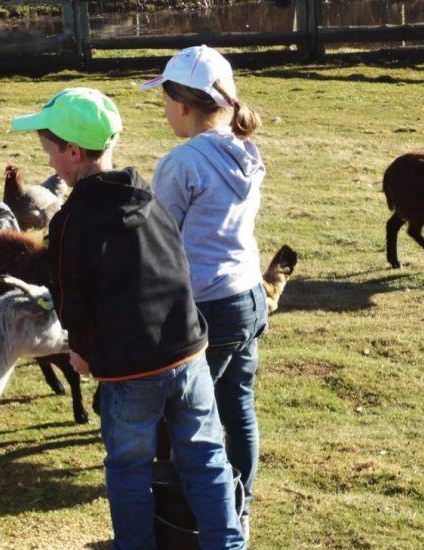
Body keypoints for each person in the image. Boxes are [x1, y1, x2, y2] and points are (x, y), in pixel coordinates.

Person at [11, 87, 246, 550]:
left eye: (51, 153)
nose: (51, 164)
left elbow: (69, 298)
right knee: (206, 458)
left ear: (73, 152)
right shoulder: (150, 198)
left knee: (128, 468)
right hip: (189, 354)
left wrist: (81, 349)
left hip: (131, 372)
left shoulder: (71, 223)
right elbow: (178, 269)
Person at [140, 45, 269, 541]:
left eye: (166, 100)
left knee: (187, 419)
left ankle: (199, 522)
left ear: (185, 105)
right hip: (248, 297)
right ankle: (242, 508)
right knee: (237, 407)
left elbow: (160, 237)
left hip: (207, 307)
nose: (164, 110)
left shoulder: (181, 163)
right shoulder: (245, 151)